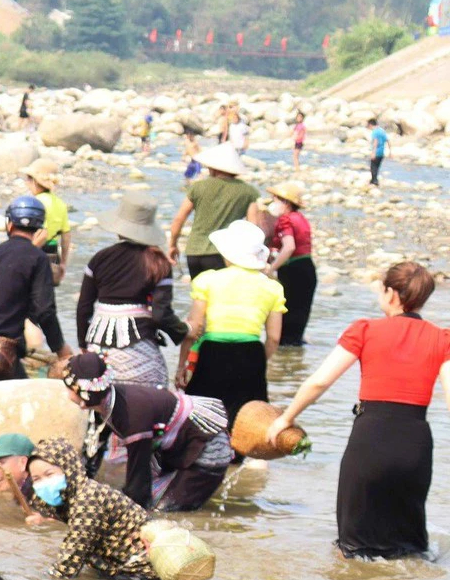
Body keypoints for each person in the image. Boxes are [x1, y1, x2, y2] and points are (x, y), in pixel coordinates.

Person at [268, 262, 450, 559]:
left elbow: (320, 381)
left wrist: (285, 419)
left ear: (391, 294)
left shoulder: (364, 330)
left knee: (352, 547)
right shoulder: (442, 338)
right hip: (415, 445)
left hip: (371, 441)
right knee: (409, 548)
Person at [62, 352, 229, 511]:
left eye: (68, 388)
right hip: (179, 445)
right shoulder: (106, 403)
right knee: (139, 496)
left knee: (162, 510)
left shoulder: (130, 416)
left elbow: (138, 478)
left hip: (208, 449)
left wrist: (131, 513)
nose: (67, 392)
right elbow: (92, 453)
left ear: (82, 393)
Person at [177, 220, 283, 433]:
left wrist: (182, 366)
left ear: (227, 254)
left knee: (201, 417)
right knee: (247, 421)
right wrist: (260, 361)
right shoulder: (272, 287)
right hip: (251, 353)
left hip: (213, 351)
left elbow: (194, 327)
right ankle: (238, 463)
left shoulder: (208, 280)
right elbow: (273, 338)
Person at [74, 190, 180, 387]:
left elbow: (84, 308)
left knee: (98, 403)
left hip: (100, 345)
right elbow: (161, 315)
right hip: (139, 347)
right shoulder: (158, 263)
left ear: (119, 226)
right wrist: (183, 331)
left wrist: (83, 344)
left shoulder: (99, 258)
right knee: (153, 398)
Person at [0, 196, 69, 380]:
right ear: (39, 229)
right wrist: (60, 347)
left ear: (9, 224)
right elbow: (44, 310)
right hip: (7, 346)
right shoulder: (39, 258)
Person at [24, 438, 155, 580]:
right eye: (36, 479)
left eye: (49, 474)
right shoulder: (74, 496)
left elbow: (68, 564)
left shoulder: (86, 500)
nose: (44, 483)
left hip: (143, 571)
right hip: (121, 566)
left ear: (68, 469)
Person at [165, 143, 259, 278]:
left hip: (194, 252)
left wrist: (173, 244)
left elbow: (179, 219)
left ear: (213, 168)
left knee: (199, 295)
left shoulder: (198, 187)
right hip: (225, 254)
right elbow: (252, 226)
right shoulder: (248, 192)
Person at [265, 180, 316, 347]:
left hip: (293, 270)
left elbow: (289, 247)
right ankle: (294, 360)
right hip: (307, 268)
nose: (273, 202)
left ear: (286, 202)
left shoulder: (285, 220)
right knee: (300, 314)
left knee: (287, 314)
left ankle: (281, 361)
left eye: (275, 199)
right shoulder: (300, 218)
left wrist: (271, 269)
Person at [24, 158, 70, 280]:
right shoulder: (60, 203)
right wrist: (63, 263)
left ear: (34, 181)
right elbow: (66, 236)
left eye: (28, 179)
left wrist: (24, 254)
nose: (26, 183)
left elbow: (39, 233)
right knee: (46, 289)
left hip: (35, 249)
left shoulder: (35, 202)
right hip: (53, 251)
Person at [367, 116, 387, 186]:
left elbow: (375, 142)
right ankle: (375, 180)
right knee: (377, 167)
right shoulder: (382, 131)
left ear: (370, 125)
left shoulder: (375, 132)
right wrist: (390, 152)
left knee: (373, 167)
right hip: (382, 152)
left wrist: (373, 153)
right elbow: (388, 140)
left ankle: (374, 181)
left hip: (377, 152)